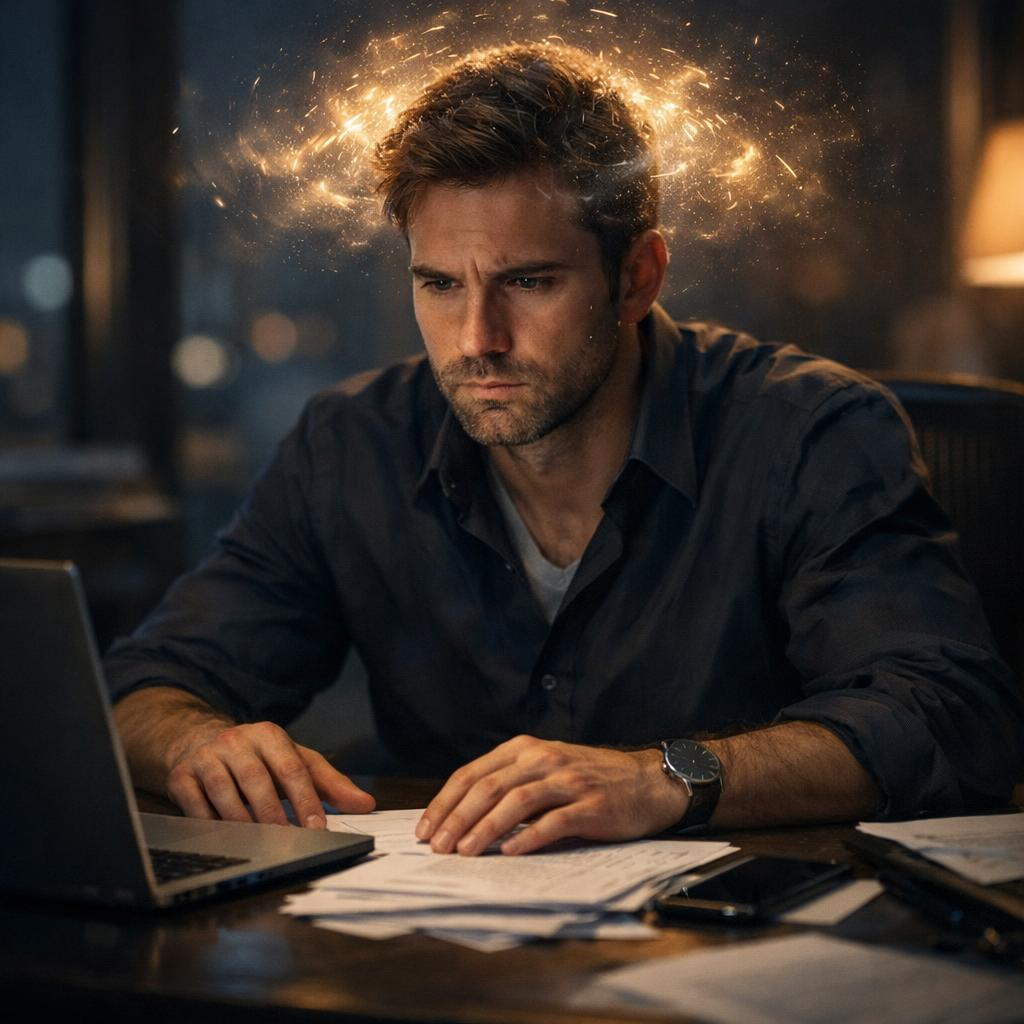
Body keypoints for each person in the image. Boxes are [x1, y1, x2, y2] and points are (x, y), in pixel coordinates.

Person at [107, 44, 1022, 856]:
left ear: (638, 277)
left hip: (747, 956)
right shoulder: (351, 444)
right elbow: (140, 686)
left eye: (529, 282)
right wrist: (194, 740)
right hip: (432, 955)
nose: (476, 337)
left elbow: (949, 715)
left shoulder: (807, 430)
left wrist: (663, 779)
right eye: (437, 284)